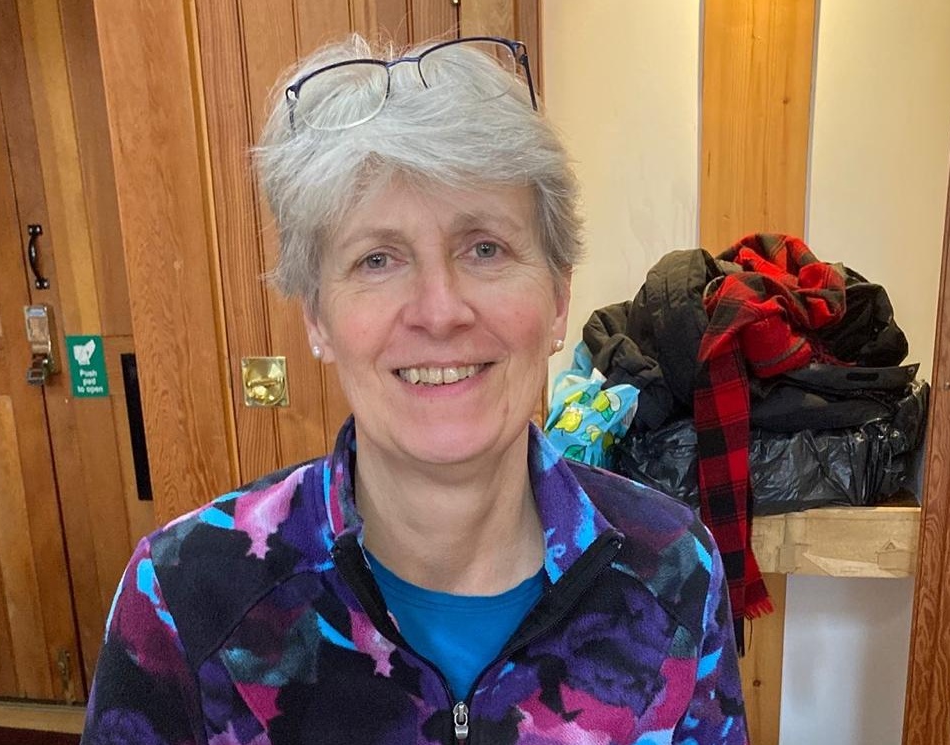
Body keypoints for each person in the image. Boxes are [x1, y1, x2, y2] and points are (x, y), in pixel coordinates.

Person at [81, 34, 747, 745]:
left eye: (485, 248)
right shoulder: (185, 595)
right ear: (317, 318)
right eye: (377, 259)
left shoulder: (673, 568)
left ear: (558, 299)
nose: (440, 310)